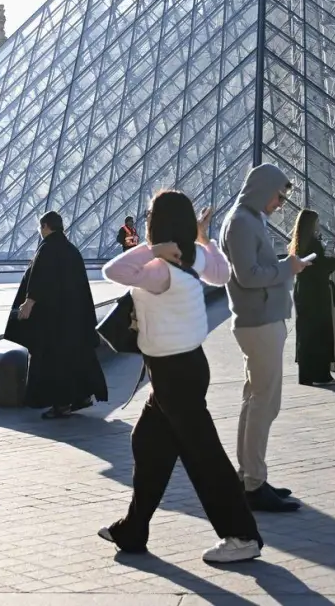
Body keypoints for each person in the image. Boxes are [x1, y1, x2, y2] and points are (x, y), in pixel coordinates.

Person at [100, 189, 263, 564]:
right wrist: (202, 238)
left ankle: (241, 535)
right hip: (187, 366)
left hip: (173, 372)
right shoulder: (195, 256)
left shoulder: (159, 270)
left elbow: (114, 271)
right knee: (147, 443)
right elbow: (222, 275)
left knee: (204, 456)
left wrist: (153, 249)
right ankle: (133, 530)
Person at [219, 163, 305, 513]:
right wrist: (289, 267)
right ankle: (253, 483)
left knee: (254, 400)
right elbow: (248, 276)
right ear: (263, 188)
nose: (280, 204)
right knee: (265, 403)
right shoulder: (242, 222)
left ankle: (248, 476)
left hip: (260, 318)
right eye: (278, 196)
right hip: (259, 322)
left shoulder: (248, 217)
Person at [2, 211, 109, 418]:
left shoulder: (47, 249)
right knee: (76, 358)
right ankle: (82, 396)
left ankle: (61, 405)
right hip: (74, 319)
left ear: (45, 227)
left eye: (39, 228)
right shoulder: (72, 250)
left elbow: (39, 280)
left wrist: (28, 304)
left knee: (53, 362)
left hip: (52, 321)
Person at [289, 210, 335, 386]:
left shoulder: (298, 243)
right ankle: (321, 374)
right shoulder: (313, 243)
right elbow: (320, 267)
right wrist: (334, 262)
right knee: (320, 332)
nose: (319, 224)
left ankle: (306, 374)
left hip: (303, 291)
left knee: (306, 333)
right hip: (317, 292)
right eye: (317, 221)